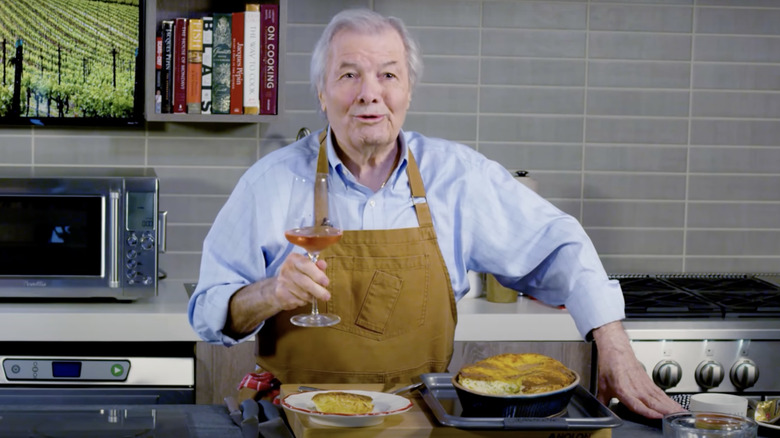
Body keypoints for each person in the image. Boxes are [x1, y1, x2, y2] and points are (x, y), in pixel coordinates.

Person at [188, 8, 683, 419]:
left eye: (388, 74)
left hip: (419, 419)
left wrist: (613, 344)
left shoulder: (458, 177)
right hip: (297, 419)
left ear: (408, 90)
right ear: (321, 92)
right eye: (348, 75)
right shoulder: (270, 181)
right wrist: (271, 292)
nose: (369, 92)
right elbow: (209, 311)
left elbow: (560, 244)